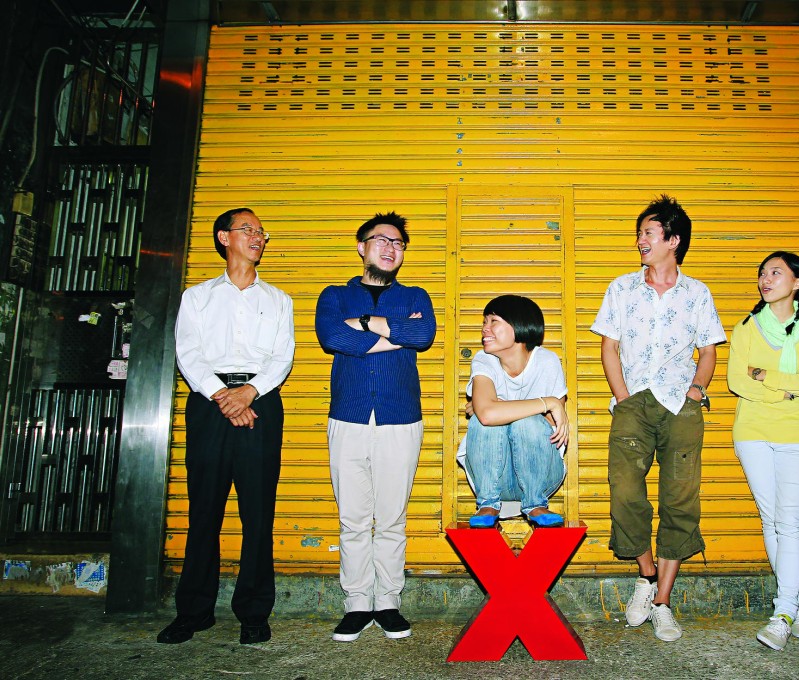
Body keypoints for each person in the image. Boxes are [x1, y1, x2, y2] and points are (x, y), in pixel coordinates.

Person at [591, 194, 726, 643]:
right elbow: (609, 347)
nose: (639, 241)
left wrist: (696, 391)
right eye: (640, 234)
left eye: (648, 233)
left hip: (681, 406)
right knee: (625, 494)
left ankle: (663, 602)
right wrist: (623, 397)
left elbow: (707, 352)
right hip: (634, 402)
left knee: (680, 499)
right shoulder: (621, 288)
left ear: (673, 240)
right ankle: (647, 577)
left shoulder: (697, 293)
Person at [159, 208, 295, 645]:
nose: (258, 237)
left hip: (261, 405)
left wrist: (248, 394)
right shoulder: (197, 297)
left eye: (261, 232)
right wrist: (224, 396)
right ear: (224, 237)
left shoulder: (278, 300)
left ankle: (254, 610)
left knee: (258, 513)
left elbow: (281, 357)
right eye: (248, 230)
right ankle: (194, 612)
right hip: (209, 406)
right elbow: (189, 354)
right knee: (204, 512)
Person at [314, 211, 436, 643]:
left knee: (391, 519)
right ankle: (356, 604)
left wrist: (363, 328)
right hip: (347, 416)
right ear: (362, 246)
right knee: (352, 518)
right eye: (381, 240)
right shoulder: (334, 295)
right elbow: (332, 337)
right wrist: (393, 335)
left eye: (399, 243)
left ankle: (388, 602)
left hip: (400, 416)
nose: (390, 247)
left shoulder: (416, 294)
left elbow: (423, 337)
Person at [726, 251, 799, 650]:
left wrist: (766, 374)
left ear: (798, 282)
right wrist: (787, 387)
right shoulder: (747, 327)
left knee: (790, 520)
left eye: (775, 273)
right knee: (772, 519)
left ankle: (783, 611)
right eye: (762, 274)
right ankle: (796, 604)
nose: (765, 280)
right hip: (751, 430)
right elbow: (738, 381)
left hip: (794, 432)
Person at [456, 295, 569, 529]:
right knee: (481, 421)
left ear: (518, 326)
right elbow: (487, 413)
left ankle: (536, 503)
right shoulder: (484, 360)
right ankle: (487, 503)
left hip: (542, 473)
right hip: (495, 475)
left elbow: (546, 426)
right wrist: (548, 402)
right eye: (484, 321)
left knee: (527, 422)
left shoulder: (546, 361)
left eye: (493, 321)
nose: (485, 329)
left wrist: (502, 405)